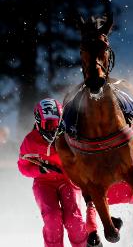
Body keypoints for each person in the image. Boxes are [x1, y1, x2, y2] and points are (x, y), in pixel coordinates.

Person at [17, 98, 87, 247]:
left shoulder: (69, 135)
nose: (52, 130)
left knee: (73, 219)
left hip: (67, 180)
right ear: (38, 122)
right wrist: (39, 170)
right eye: (48, 125)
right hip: (44, 183)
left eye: (55, 124)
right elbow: (23, 167)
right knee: (52, 218)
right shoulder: (30, 141)